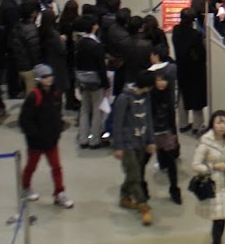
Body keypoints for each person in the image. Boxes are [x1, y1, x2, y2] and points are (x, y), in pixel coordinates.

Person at [18, 63, 74, 209]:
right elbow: (24, 120)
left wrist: (57, 131)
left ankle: (59, 192)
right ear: (38, 79)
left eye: (50, 75)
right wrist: (35, 135)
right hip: (36, 142)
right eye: (45, 76)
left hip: (51, 140)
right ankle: (25, 187)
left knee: (57, 167)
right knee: (31, 166)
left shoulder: (55, 94)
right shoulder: (33, 96)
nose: (49, 78)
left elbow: (57, 115)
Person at [192, 109, 225, 244]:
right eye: (219, 122)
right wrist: (213, 167)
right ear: (212, 123)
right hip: (214, 185)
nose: (222, 126)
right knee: (218, 219)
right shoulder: (206, 142)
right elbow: (195, 165)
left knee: (222, 218)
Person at [112, 70, 156, 227]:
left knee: (133, 173)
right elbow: (117, 123)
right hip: (127, 144)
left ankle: (124, 197)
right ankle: (143, 206)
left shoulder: (146, 97)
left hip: (141, 142)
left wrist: (150, 141)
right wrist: (118, 146)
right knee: (135, 175)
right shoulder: (124, 99)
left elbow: (148, 119)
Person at [73, 15, 108, 148]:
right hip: (95, 81)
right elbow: (101, 66)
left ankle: (83, 138)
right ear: (93, 27)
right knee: (97, 110)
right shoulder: (96, 45)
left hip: (82, 80)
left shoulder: (79, 43)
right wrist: (105, 83)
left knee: (85, 109)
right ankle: (94, 139)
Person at [149, 63, 182, 204]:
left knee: (171, 162)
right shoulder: (150, 97)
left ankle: (174, 189)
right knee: (143, 159)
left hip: (166, 132)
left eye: (164, 80)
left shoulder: (168, 96)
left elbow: (171, 115)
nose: (162, 83)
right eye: (159, 80)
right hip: (153, 132)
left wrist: (174, 133)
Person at [172, 8, 208, 133]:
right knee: (196, 98)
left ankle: (183, 123)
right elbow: (202, 54)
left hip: (181, 68)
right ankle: (197, 125)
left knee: (183, 95)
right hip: (195, 70)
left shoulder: (176, 30)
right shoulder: (195, 35)